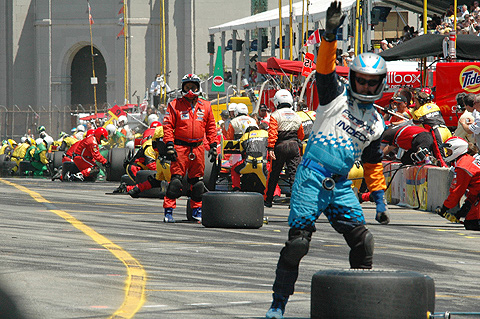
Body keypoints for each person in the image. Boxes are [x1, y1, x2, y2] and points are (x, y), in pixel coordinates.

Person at [265, 2, 388, 318]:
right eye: (361, 80)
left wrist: (380, 198)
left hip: (342, 186)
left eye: (371, 82)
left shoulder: (377, 124)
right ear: (355, 80)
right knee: (297, 245)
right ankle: (278, 305)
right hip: (310, 177)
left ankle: (358, 302)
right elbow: (324, 69)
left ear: (379, 84)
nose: (365, 86)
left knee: (364, 243)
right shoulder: (334, 98)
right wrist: (330, 35)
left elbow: (373, 162)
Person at [162, 73, 217, 223]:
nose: (190, 90)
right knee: (176, 182)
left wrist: (213, 145)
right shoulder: (174, 105)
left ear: (198, 87)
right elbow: (167, 126)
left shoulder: (206, 106)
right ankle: (168, 211)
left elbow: (211, 127)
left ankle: (196, 211)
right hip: (180, 147)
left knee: (198, 183)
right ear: (182, 88)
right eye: (187, 87)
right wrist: (169, 145)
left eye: (193, 87)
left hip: (198, 148)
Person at [264, 89, 304, 208]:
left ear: (277, 101)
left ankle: (268, 200)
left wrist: (270, 148)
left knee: (274, 174)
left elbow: (272, 133)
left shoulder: (275, 115)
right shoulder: (296, 115)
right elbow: (300, 134)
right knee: (294, 175)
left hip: (280, 146)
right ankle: (294, 201)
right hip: (294, 145)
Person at [435, 137, 480, 230]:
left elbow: (457, 191)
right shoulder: (468, 160)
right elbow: (476, 189)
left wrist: (445, 208)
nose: (447, 154)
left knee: (472, 224)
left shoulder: (463, 166)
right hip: (477, 196)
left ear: (456, 149)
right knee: (471, 222)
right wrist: (464, 208)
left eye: (449, 151)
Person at [412, 89, 451, 166]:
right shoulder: (435, 106)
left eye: (416, 102)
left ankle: (445, 170)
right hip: (446, 130)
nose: (415, 104)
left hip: (437, 132)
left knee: (441, 155)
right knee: (450, 153)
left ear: (420, 101)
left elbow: (415, 123)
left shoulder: (418, 112)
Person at [226, 103, 257, 191]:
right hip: (255, 147)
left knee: (235, 168)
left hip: (239, 149)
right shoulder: (253, 120)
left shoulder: (233, 122)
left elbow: (229, 139)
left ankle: (236, 187)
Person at [234, 122, 269, 193]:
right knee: (271, 179)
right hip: (263, 164)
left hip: (248, 164)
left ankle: (236, 188)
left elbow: (242, 152)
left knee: (234, 169)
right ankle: (275, 195)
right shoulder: (265, 134)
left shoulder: (245, 136)